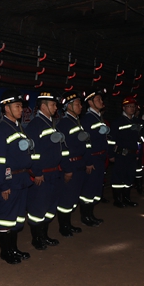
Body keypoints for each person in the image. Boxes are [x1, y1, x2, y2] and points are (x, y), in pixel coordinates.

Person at [0, 89, 34, 264]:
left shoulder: (19, 128)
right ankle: (6, 252)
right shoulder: (1, 131)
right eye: (17, 106)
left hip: (22, 180)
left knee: (17, 218)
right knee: (6, 219)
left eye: (21, 106)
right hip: (10, 181)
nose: (21, 109)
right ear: (6, 108)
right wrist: (3, 185)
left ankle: (14, 249)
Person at [25, 91, 63, 250]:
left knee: (50, 207)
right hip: (43, 175)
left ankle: (44, 235)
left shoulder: (51, 124)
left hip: (54, 173)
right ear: (43, 106)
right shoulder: (35, 125)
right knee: (38, 208)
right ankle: (37, 238)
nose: (55, 107)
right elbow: (33, 153)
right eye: (53, 104)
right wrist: (37, 172)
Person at [56, 91, 87, 237]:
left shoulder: (76, 122)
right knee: (66, 198)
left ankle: (68, 224)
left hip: (79, 164)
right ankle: (63, 226)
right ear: (69, 106)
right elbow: (63, 150)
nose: (81, 106)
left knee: (73, 197)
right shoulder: (64, 124)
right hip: (71, 166)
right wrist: (67, 169)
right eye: (77, 104)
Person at [79, 89, 109, 227]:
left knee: (96, 189)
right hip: (93, 160)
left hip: (100, 159)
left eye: (101, 99)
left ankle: (90, 215)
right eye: (98, 99)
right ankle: (85, 216)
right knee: (89, 190)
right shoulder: (87, 119)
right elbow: (85, 143)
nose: (101, 101)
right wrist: (88, 161)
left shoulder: (98, 118)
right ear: (90, 102)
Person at [108, 96, 142, 208]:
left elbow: (138, 140)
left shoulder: (136, 122)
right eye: (129, 106)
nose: (132, 108)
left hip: (132, 154)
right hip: (121, 154)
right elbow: (111, 140)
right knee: (118, 177)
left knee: (129, 177)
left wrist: (138, 153)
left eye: (133, 106)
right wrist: (111, 154)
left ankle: (127, 198)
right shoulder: (118, 122)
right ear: (124, 108)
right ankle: (117, 200)